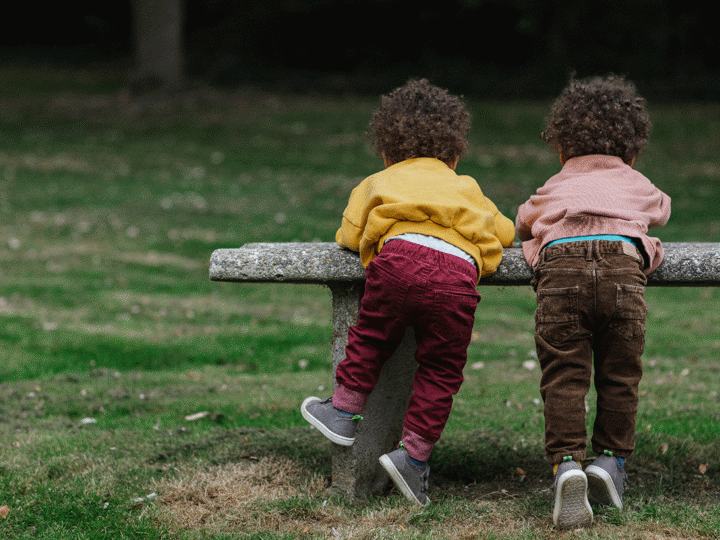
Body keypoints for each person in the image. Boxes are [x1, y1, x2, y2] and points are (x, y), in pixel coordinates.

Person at [300, 78, 516, 506]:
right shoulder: (468, 188)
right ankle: (412, 458)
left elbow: (348, 233)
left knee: (372, 337)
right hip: (457, 275)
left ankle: (343, 413)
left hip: (398, 262)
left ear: (386, 151)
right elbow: (505, 233)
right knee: (441, 369)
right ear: (454, 156)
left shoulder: (379, 181)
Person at [515, 75, 671, 529]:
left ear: (562, 147)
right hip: (623, 268)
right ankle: (610, 462)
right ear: (634, 148)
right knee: (621, 374)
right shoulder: (637, 180)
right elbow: (661, 208)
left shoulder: (556, 182)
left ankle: (567, 463)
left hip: (560, 270)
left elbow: (524, 220)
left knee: (564, 373)